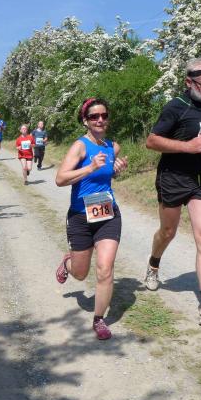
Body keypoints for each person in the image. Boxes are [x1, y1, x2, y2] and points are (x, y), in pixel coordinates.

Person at [143, 57, 201, 327]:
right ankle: (153, 264)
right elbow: (151, 141)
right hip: (173, 178)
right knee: (167, 232)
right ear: (188, 82)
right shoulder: (176, 107)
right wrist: (187, 147)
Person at [55, 98, 128, 340]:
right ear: (85, 121)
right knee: (80, 273)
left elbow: (105, 177)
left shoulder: (113, 147)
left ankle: (99, 319)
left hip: (107, 212)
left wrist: (116, 171)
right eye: (94, 116)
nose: (100, 120)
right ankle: (68, 263)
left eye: (104, 115)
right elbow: (60, 179)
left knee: (105, 268)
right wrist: (89, 168)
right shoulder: (80, 146)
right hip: (80, 216)